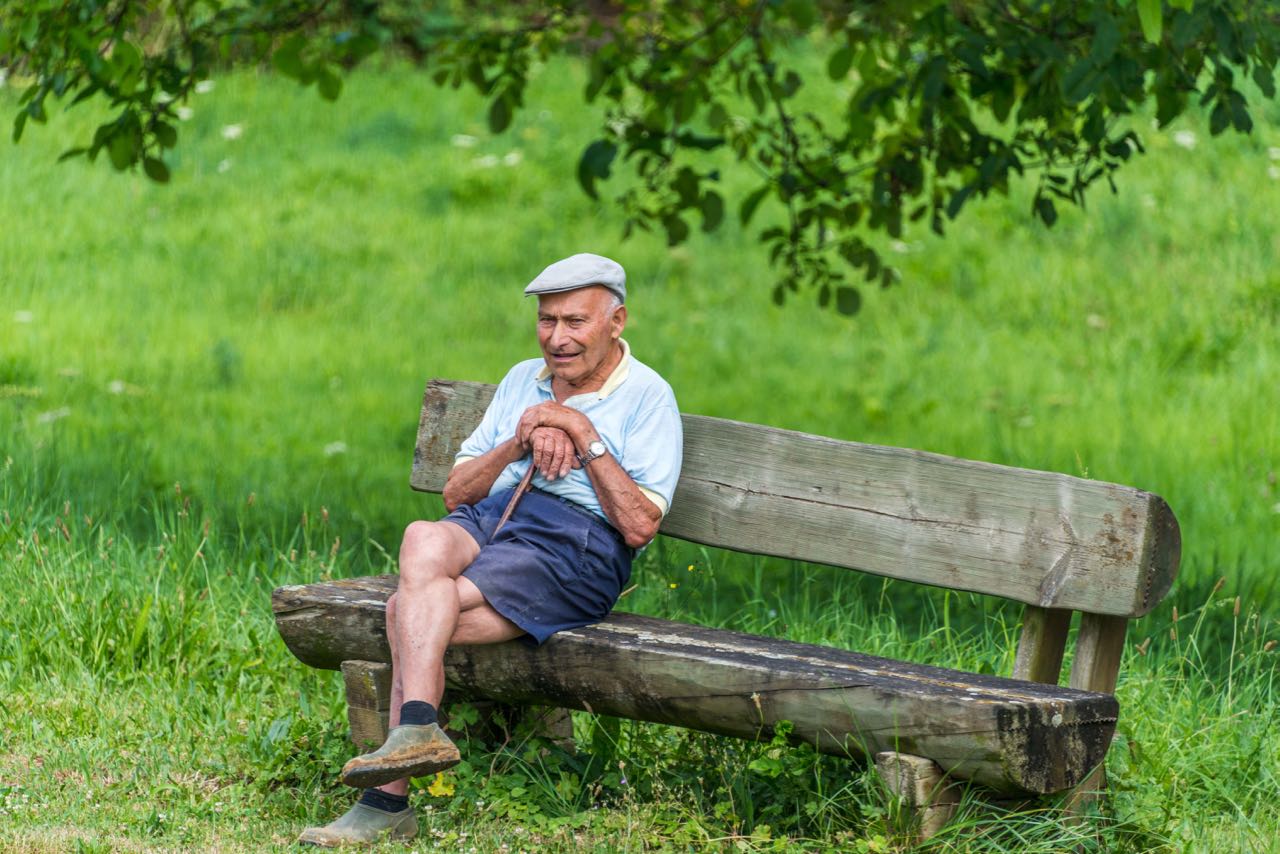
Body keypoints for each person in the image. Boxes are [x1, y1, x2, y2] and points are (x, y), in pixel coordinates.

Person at [299, 253, 683, 846]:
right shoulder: (520, 380)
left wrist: (581, 432)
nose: (558, 338)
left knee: (409, 611)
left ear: (617, 321)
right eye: (547, 320)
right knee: (421, 536)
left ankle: (386, 801)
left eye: (575, 321)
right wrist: (521, 437)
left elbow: (637, 525)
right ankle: (419, 731)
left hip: (572, 545)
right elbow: (457, 492)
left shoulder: (649, 396)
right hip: (494, 519)